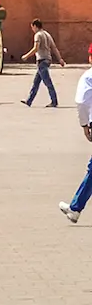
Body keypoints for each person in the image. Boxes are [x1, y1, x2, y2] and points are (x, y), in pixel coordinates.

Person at [59, 65, 92, 222]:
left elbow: (82, 101)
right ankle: (75, 207)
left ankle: (75, 208)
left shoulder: (88, 76)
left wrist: (84, 125)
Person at [24, 18, 65, 108]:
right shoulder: (47, 34)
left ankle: (54, 101)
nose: (32, 30)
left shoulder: (38, 35)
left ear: (35, 26)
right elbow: (54, 48)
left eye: (32, 27)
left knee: (48, 82)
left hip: (41, 60)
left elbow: (36, 48)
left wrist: (26, 56)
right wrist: (60, 59)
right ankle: (29, 100)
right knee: (36, 82)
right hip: (47, 59)